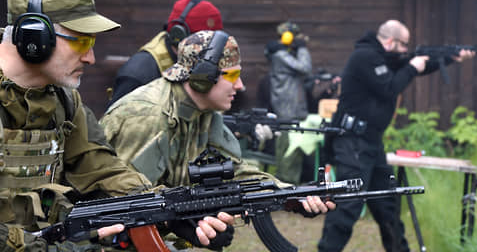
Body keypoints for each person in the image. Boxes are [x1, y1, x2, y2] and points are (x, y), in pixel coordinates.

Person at [0, 0, 235, 251]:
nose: (91, 57)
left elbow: (101, 169)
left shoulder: (63, 100)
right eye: (82, 42)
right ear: (36, 37)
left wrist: (168, 209)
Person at [100, 30, 335, 249]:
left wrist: (290, 194)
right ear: (204, 77)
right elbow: (123, 200)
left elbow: (236, 171)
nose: (240, 86)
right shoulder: (148, 116)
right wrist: (180, 222)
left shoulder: (204, 113)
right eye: (232, 75)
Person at [318, 19, 475, 252]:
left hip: (371, 143)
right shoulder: (365, 57)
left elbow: (409, 67)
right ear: (391, 41)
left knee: (388, 206)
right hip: (353, 142)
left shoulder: (383, 58)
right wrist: (413, 66)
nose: (405, 51)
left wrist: (449, 58)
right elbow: (389, 87)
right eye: (404, 45)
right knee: (348, 206)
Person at [107, 0, 223, 107]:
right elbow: (115, 122)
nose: (211, 50)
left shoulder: (195, 65)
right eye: (206, 43)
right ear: (180, 37)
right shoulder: (137, 75)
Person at [265, 21, 313, 184]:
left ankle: (292, 185)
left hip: (293, 108)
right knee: (287, 153)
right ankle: (286, 186)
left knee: (294, 152)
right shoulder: (280, 55)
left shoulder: (283, 52)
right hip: (287, 110)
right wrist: (302, 48)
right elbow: (304, 67)